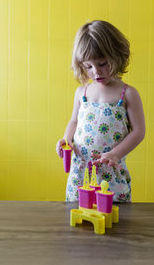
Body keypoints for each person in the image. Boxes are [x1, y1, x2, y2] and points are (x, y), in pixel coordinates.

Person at [56, 20, 145, 202]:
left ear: (117, 56)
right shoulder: (82, 92)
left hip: (110, 173)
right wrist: (66, 140)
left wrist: (116, 154)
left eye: (103, 63)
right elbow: (74, 121)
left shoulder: (127, 94)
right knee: (77, 216)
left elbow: (138, 132)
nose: (96, 71)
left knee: (113, 218)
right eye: (88, 66)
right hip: (80, 172)